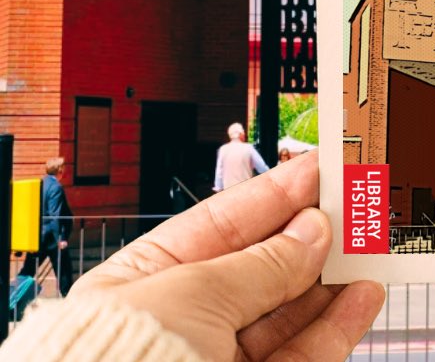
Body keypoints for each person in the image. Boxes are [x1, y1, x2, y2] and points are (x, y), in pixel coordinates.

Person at [0, 153, 383, 361]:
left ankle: (29, 296)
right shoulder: (246, 152)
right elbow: (265, 171)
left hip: (244, 205)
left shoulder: (225, 153)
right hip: (260, 209)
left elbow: (223, 176)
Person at [19, 157, 73, 296]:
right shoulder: (56, 187)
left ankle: (12, 297)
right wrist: (60, 238)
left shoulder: (41, 183)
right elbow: (55, 215)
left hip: (38, 235)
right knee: (64, 272)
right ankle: (69, 300)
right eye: (63, 168)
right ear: (60, 170)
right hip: (52, 238)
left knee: (28, 271)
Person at [213, 122, 269, 192]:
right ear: (240, 134)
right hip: (245, 191)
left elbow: (219, 172)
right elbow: (262, 168)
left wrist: (218, 187)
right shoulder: (248, 148)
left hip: (227, 192)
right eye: (243, 132)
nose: (245, 134)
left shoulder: (223, 149)